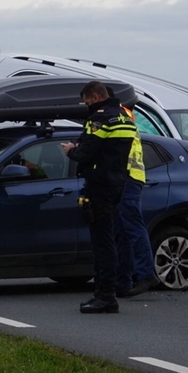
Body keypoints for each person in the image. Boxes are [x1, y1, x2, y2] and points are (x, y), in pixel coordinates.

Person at [61, 81, 137, 314]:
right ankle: (107, 292)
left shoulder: (99, 119)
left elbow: (87, 152)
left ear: (95, 97)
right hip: (117, 183)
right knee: (110, 238)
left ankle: (105, 295)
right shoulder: (125, 118)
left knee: (102, 242)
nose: (86, 106)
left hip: (100, 185)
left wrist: (70, 150)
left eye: (87, 101)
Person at [115, 121, 157, 297]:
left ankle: (146, 274)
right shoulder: (123, 116)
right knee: (123, 231)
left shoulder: (118, 118)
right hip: (129, 177)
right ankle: (124, 281)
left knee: (133, 228)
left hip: (128, 177)